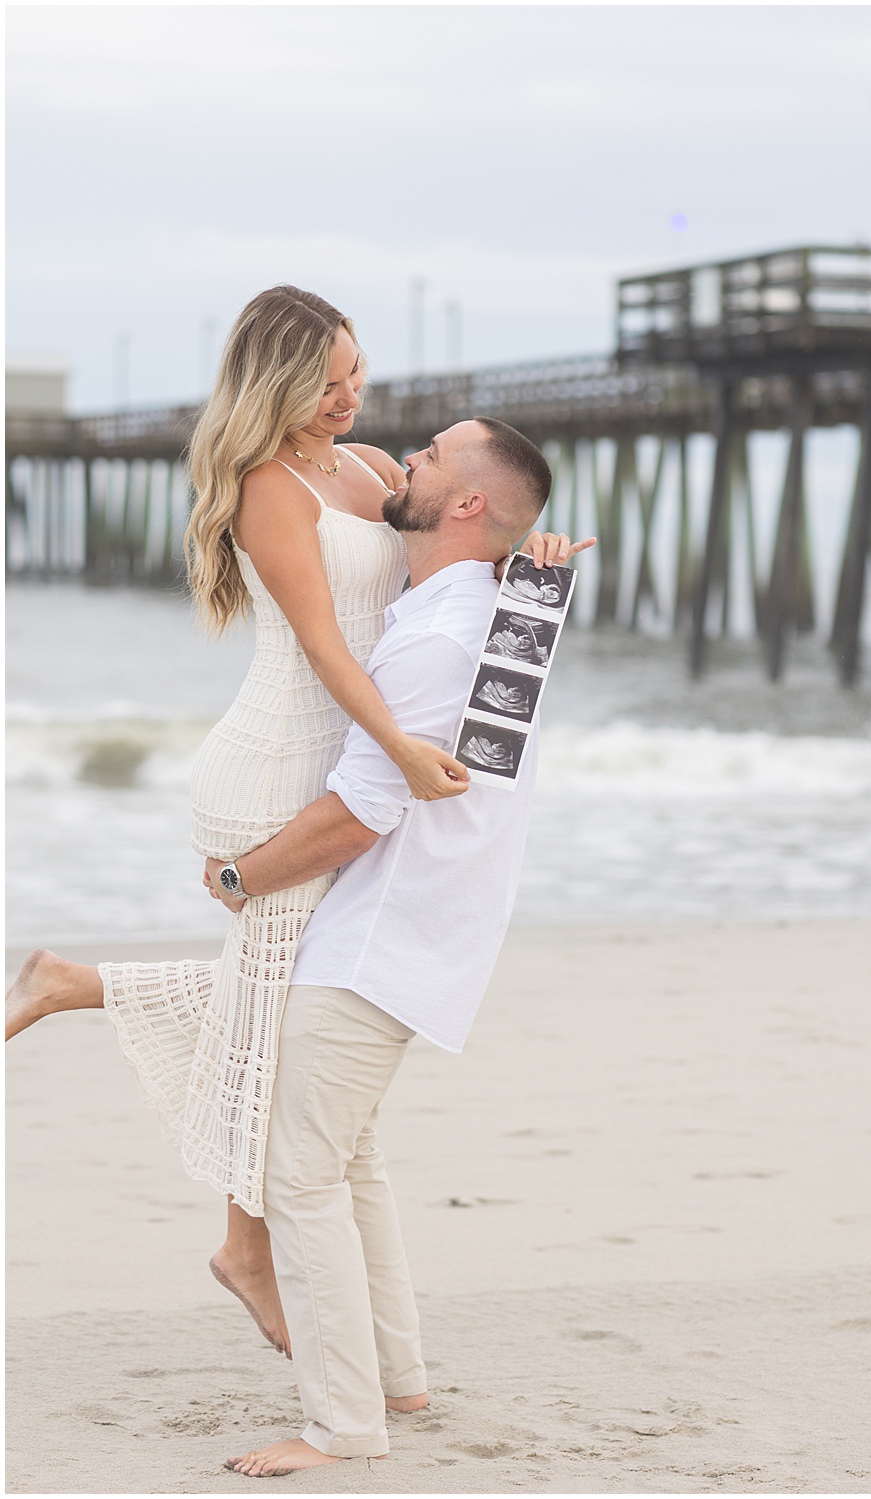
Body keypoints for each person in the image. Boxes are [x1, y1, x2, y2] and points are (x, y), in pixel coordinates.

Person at [4, 286, 583, 1363]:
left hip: (349, 762)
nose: (354, 398)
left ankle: (73, 984)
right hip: (279, 764)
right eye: (331, 382)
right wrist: (403, 751)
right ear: (278, 383)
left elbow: (444, 558)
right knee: (273, 1013)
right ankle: (246, 1248)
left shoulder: (366, 470)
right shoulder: (269, 489)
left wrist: (523, 561)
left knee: (274, 1002)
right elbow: (326, 646)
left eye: (359, 374)